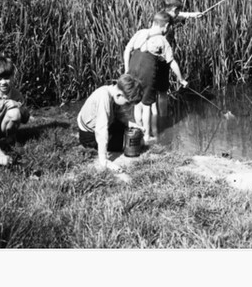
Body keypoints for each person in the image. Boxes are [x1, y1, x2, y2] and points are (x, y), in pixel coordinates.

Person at [123, 10, 188, 142]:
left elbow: (127, 49)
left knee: (137, 102)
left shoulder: (140, 32)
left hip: (133, 67)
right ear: (166, 26)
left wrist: (126, 69)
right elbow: (172, 62)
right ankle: (147, 136)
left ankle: (139, 130)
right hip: (147, 71)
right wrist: (181, 79)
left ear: (153, 22)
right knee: (147, 105)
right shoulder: (162, 40)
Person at [77, 73, 143, 170]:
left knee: (131, 133)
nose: (127, 106)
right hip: (89, 135)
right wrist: (103, 160)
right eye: (127, 103)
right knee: (128, 144)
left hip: (102, 123)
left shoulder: (111, 90)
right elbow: (101, 130)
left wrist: (134, 125)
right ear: (119, 95)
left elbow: (120, 115)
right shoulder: (104, 98)